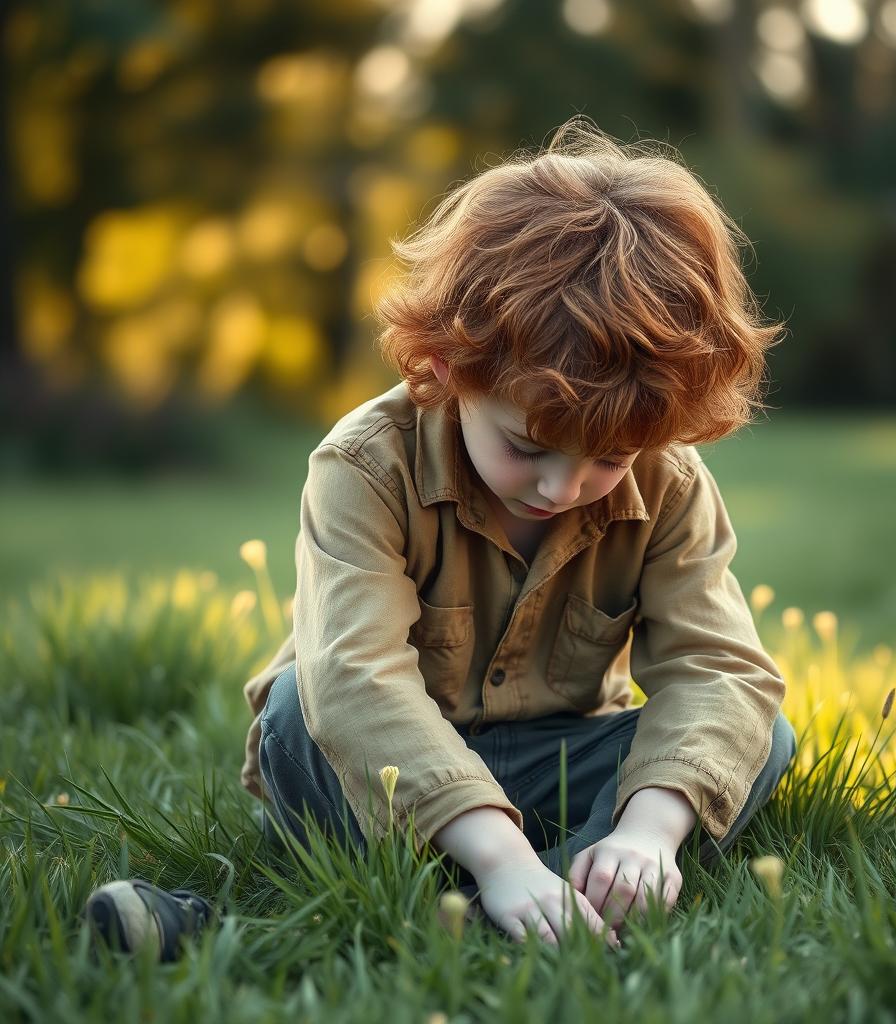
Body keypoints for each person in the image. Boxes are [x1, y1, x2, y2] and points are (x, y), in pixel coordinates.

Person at [86, 115, 796, 958]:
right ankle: (521, 895)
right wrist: (496, 853)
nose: (560, 488)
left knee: (751, 739)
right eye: (526, 447)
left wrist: (648, 834)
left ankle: (497, 907)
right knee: (293, 710)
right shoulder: (363, 465)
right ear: (454, 368)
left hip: (554, 764)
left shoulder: (669, 477)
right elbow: (354, 681)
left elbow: (716, 668)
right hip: (371, 761)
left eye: (607, 458)